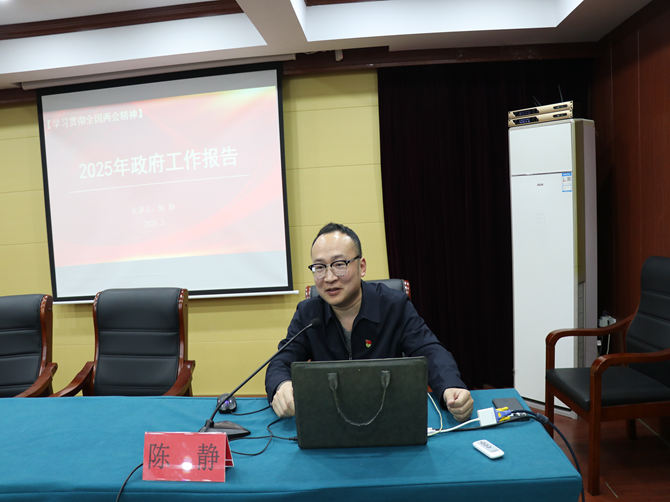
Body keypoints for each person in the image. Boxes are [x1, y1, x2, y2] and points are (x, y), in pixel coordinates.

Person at [265, 222, 474, 422]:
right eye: (319, 267)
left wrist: (450, 386)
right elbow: (280, 362)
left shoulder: (394, 305)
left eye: (339, 265)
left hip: (388, 412)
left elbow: (430, 350)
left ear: (362, 266)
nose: (329, 277)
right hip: (329, 417)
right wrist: (282, 385)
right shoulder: (309, 313)